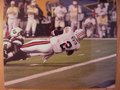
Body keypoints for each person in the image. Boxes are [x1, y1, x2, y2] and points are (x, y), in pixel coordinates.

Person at [20, 27, 85, 62]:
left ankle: (16, 51)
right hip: (51, 52)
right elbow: (68, 53)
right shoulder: (77, 46)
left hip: (49, 44)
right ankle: (22, 56)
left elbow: (55, 32)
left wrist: (53, 36)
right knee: (35, 53)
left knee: (31, 44)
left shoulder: (69, 30)